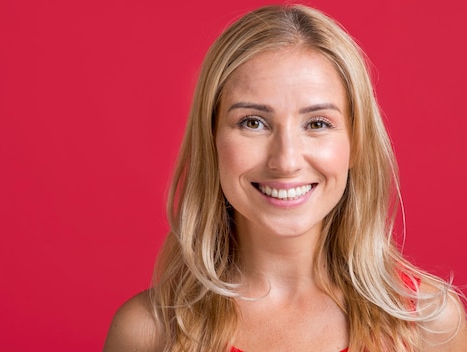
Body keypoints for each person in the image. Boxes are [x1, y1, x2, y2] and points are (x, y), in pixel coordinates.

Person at [103, 4, 467, 352]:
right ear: (211, 139)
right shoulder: (148, 332)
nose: (286, 161)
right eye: (253, 122)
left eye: (317, 123)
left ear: (355, 143)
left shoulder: (429, 323)